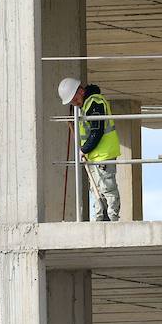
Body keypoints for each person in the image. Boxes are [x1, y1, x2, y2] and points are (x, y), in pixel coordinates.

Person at [58, 76, 121, 221]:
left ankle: (112, 220)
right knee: (96, 189)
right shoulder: (85, 106)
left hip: (103, 154)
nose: (75, 103)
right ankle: (99, 219)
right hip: (94, 155)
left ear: (80, 91)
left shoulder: (95, 103)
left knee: (107, 188)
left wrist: (84, 149)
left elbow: (96, 130)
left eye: (74, 99)